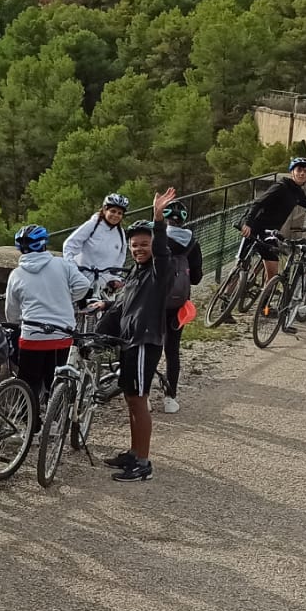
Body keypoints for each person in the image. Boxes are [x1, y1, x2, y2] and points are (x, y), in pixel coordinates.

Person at [99, 190, 179, 482]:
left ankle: (143, 463)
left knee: (139, 400)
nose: (139, 249)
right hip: (129, 341)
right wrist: (105, 307)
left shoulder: (160, 269)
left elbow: (162, 252)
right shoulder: (137, 272)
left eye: (144, 245)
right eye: (134, 245)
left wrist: (158, 218)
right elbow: (124, 304)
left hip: (145, 342)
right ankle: (134, 452)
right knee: (131, 399)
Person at [2, 223, 83, 406]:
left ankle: (29, 422)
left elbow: (11, 311)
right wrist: (66, 299)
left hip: (32, 335)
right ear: (44, 244)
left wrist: (17, 324)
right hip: (62, 333)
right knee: (56, 380)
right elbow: (83, 286)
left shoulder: (16, 274)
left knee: (29, 382)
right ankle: (55, 421)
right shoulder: (62, 264)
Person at [239, 159, 306, 289]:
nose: (302, 174)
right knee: (240, 265)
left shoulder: (297, 191)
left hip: (270, 233)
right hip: (255, 227)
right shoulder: (281, 186)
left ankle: (265, 303)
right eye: (299, 170)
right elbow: (258, 203)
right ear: (292, 172)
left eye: (305, 171)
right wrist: (247, 223)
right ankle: (226, 295)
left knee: (273, 272)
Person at [158, 200, 203, 412]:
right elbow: (196, 278)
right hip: (178, 303)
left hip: (153, 300)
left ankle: (144, 395)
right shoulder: (193, 242)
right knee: (172, 350)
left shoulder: (156, 237)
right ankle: (170, 398)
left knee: (149, 348)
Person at [63, 193, 131, 295]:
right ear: (104, 210)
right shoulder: (92, 225)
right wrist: (73, 270)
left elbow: (120, 258)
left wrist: (115, 277)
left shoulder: (120, 233)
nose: (116, 215)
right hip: (82, 282)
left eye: (119, 213)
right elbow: (69, 245)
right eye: (112, 211)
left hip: (103, 286)